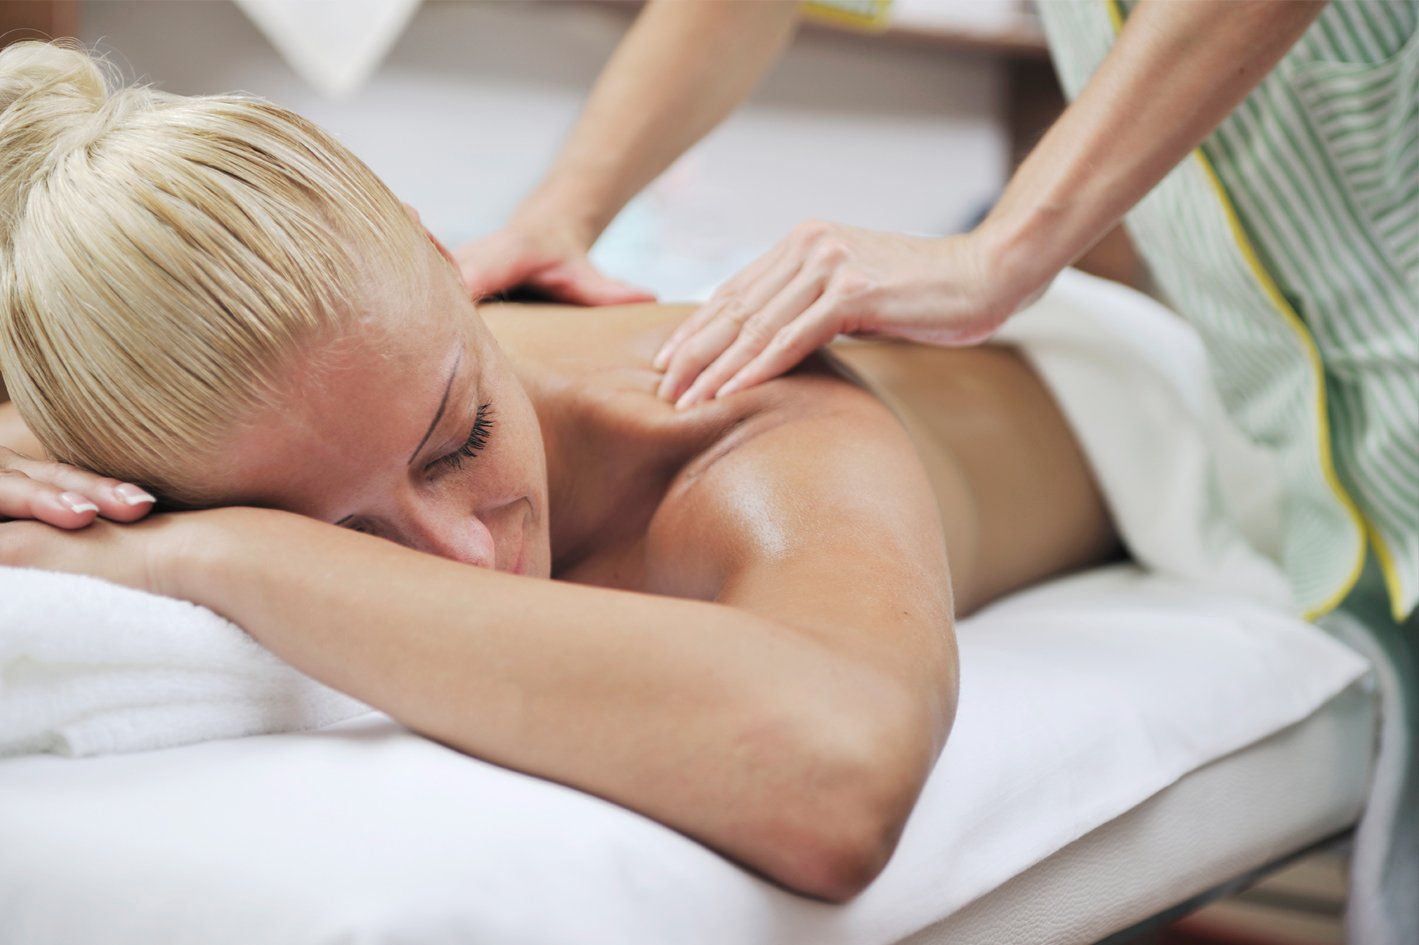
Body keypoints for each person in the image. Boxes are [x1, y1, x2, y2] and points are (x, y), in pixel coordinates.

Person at [0, 41, 1120, 901]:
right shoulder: (176, 418)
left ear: (449, 262)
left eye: (464, 440)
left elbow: (837, 780)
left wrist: (220, 553)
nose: (468, 558)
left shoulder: (738, 426)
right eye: (345, 539)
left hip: (1109, 390)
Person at [458, 3, 1417, 935]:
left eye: (457, 441)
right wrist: (563, 209)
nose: (454, 541)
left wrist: (999, 253)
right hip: (1319, 456)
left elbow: (833, 775)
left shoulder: (780, 437)